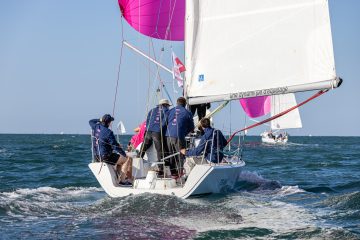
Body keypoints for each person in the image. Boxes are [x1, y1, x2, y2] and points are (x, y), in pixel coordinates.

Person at [89, 114, 132, 186]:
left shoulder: (96, 127)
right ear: (109, 123)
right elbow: (115, 146)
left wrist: (99, 119)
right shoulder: (109, 132)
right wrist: (124, 154)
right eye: (110, 122)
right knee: (127, 159)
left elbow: (91, 121)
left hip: (96, 156)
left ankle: (119, 178)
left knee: (120, 160)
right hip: (105, 157)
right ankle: (122, 180)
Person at [165, 97, 194, 176]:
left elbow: (165, 122)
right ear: (185, 104)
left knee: (171, 155)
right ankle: (180, 173)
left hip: (168, 135)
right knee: (180, 155)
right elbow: (192, 128)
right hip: (179, 136)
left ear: (177, 103)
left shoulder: (170, 111)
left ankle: (173, 174)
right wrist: (184, 133)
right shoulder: (187, 112)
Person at [140, 99, 171, 173]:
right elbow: (165, 122)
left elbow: (147, 120)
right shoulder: (166, 111)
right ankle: (160, 168)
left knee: (144, 147)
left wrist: (148, 128)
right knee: (159, 150)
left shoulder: (152, 110)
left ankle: (138, 160)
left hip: (148, 130)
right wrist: (160, 129)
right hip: (157, 132)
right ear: (166, 105)